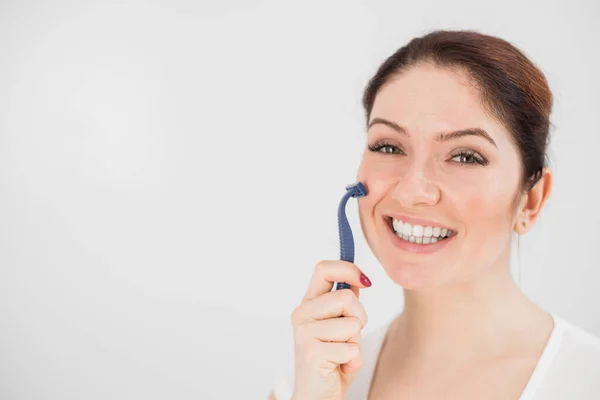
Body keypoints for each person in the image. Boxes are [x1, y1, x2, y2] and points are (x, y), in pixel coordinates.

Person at [269, 29, 600, 399]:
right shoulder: (311, 379)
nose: (412, 191)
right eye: (389, 147)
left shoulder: (588, 380)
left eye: (465, 156)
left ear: (531, 200)